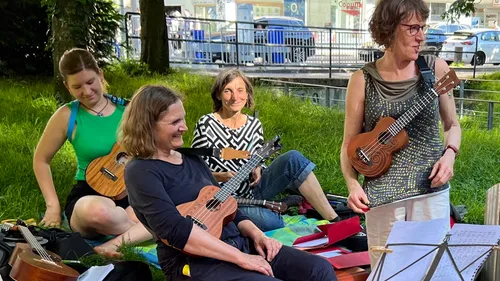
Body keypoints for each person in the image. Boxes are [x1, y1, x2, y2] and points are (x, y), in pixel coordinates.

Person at [120, 85, 338, 281]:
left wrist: (259, 236)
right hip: (193, 262)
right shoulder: (140, 171)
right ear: (148, 125)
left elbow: (225, 205)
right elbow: (176, 231)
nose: (184, 127)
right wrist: (242, 259)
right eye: (175, 122)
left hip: (237, 242)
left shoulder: (191, 157)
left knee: (319, 270)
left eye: (183, 119)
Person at [340, 0, 461, 269]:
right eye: (412, 28)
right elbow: (349, 143)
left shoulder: (436, 69)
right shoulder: (362, 79)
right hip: (382, 200)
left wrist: (450, 155)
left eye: (423, 27)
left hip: (430, 192)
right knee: (389, 272)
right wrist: (352, 184)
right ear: (390, 29)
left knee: (432, 271)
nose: (421, 36)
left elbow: (452, 125)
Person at [33, 48, 152, 257]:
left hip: (130, 190)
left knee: (151, 208)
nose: (86, 92)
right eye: (77, 87)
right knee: (98, 213)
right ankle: (146, 231)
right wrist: (52, 206)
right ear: (66, 87)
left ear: (100, 74)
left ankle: (115, 242)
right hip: (89, 191)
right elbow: (41, 160)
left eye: (90, 82)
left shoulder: (129, 110)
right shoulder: (67, 115)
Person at [191, 68, 339, 232]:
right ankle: (279, 206)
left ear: (247, 94)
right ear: (218, 95)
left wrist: (258, 168)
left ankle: (334, 220)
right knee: (272, 223)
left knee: (294, 158)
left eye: (240, 90)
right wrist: (221, 176)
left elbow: (257, 160)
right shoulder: (207, 124)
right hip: (223, 200)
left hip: (253, 192)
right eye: (228, 91)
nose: (235, 97)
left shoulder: (254, 125)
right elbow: (193, 172)